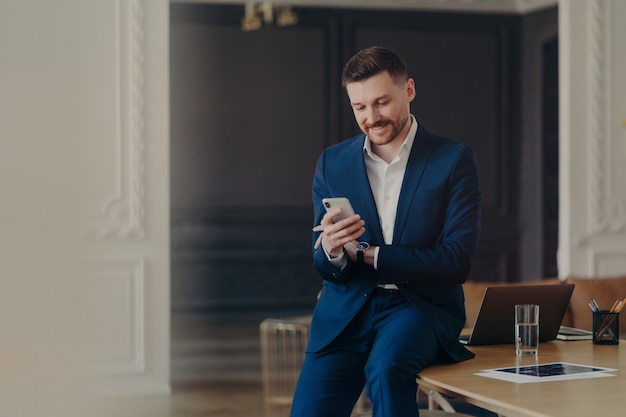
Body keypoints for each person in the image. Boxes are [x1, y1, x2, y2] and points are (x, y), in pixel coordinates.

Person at [290, 46, 481, 417]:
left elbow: (457, 261)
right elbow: (324, 265)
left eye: (381, 103)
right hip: (343, 312)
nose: (371, 117)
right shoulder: (332, 163)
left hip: (417, 308)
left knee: (387, 369)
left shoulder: (454, 160)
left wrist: (369, 255)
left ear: (408, 90)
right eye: (359, 107)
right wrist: (330, 249)